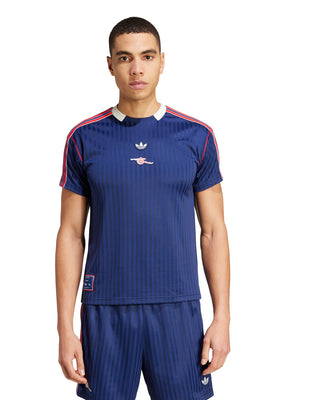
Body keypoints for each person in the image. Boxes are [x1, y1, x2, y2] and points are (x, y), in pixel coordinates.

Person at [56, 16, 230, 400]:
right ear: (110, 64)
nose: (137, 69)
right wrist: (65, 329)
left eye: (147, 57)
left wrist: (222, 318)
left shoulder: (196, 137)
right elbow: (70, 234)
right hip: (105, 310)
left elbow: (213, 231)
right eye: (125, 58)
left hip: (178, 309)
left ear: (162, 61)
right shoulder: (84, 138)